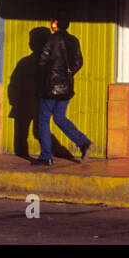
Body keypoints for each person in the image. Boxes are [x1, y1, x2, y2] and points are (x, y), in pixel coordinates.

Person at [33, 18, 92, 166]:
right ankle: (84, 142)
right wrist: (67, 75)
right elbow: (79, 62)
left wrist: (46, 78)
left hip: (50, 87)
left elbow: (42, 62)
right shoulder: (74, 40)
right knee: (59, 117)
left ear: (55, 23)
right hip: (66, 87)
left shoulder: (51, 39)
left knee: (43, 120)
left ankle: (46, 156)